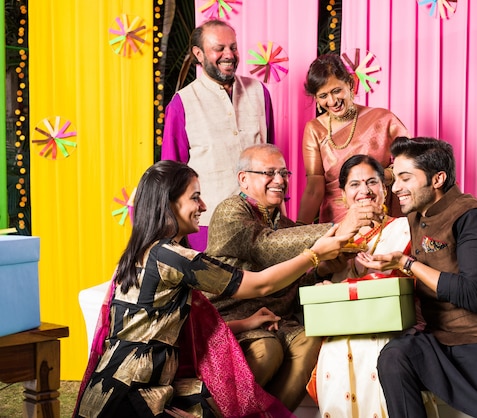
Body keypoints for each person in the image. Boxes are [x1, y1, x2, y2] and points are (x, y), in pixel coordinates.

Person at [73, 160, 350, 418]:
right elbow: (261, 283)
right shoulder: (171, 257)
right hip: (130, 398)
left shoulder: (142, 253)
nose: (204, 205)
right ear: (168, 204)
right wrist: (313, 255)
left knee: (231, 396)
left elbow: (166, 326)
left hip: (118, 388)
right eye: (195, 197)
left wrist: (245, 323)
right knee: (228, 397)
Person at [357, 137, 477, 418]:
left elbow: (473, 295)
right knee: (395, 356)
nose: (395, 187)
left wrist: (406, 262)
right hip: (438, 339)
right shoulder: (415, 215)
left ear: (437, 178)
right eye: (394, 178)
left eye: (405, 178)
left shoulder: (474, 217)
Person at [204, 144, 381, 411]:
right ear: (244, 179)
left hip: (277, 321)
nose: (280, 181)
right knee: (266, 350)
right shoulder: (230, 211)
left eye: (284, 173)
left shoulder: (285, 225)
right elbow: (264, 247)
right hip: (233, 316)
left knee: (311, 339)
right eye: (269, 173)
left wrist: (323, 270)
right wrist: (338, 227)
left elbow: (293, 284)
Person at [307, 154, 415, 418]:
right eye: (354, 185)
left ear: (384, 190)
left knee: (372, 349)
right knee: (335, 352)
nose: (364, 191)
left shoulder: (405, 228)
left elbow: (404, 281)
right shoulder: (332, 238)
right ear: (343, 195)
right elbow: (311, 276)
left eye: (372, 182)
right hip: (337, 328)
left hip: (387, 324)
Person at [162, 19, 274, 251]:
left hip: (261, 220)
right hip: (207, 224)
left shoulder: (259, 92)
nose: (229, 55)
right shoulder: (182, 103)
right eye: (219, 49)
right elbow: (172, 173)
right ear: (198, 54)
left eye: (233, 47)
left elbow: (272, 157)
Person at [297, 53, 409, 225]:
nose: (332, 101)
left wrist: (383, 176)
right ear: (316, 98)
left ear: (350, 84)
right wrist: (299, 230)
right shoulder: (315, 129)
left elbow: (412, 164)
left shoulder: (382, 118)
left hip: (381, 215)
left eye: (336, 91)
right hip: (337, 224)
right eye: (323, 95)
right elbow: (314, 189)